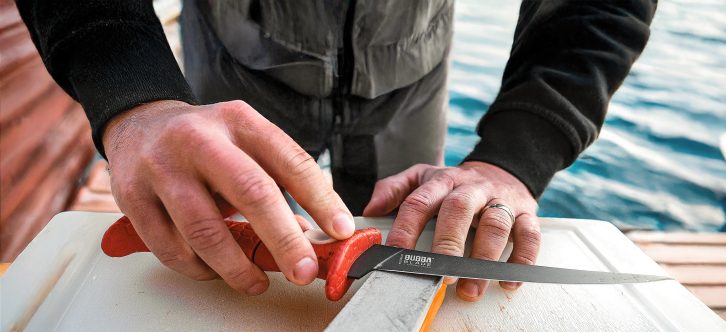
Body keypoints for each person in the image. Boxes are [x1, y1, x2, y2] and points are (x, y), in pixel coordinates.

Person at [18, 0, 656, 301]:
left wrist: (514, 157)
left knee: (411, 238)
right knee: (207, 231)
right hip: (238, 73)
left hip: (408, 78)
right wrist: (134, 97)